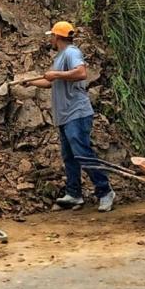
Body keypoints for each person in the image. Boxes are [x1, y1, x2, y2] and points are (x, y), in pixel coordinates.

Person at [25, 21, 115, 212]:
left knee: (82, 153)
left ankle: (105, 191)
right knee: (70, 156)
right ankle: (74, 194)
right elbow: (52, 82)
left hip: (77, 113)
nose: (50, 39)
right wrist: (31, 83)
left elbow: (81, 73)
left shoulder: (71, 52)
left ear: (57, 37)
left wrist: (55, 73)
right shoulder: (60, 57)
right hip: (66, 115)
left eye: (51, 36)